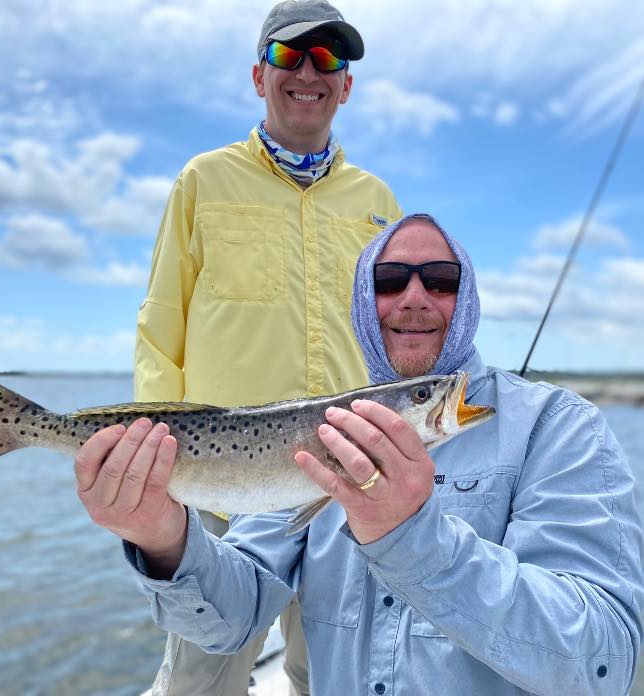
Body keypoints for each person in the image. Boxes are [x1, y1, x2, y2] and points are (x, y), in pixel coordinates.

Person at [76, 213, 644, 695]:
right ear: (362, 303)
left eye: (441, 280)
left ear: (466, 296)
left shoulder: (558, 427)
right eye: (390, 279)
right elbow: (233, 619)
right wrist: (164, 540)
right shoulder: (319, 429)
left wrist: (411, 535)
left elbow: (606, 660)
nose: (415, 297)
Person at [132, 0, 401, 693]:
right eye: (289, 55)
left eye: (327, 59)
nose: (307, 72)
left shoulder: (379, 202)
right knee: (201, 677)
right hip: (220, 486)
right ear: (259, 76)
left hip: (349, 489)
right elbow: (160, 325)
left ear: (346, 84)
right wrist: (155, 464)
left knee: (334, 676)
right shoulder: (203, 180)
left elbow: (396, 337)